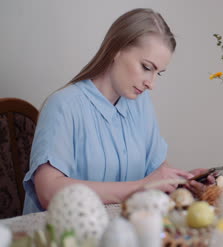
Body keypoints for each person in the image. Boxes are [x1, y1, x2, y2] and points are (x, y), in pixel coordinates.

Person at [22, 8, 212, 214]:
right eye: (147, 67)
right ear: (116, 50)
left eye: (159, 73)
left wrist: (184, 181)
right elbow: (48, 192)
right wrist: (139, 188)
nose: (151, 84)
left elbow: (155, 170)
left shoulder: (140, 103)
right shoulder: (63, 106)